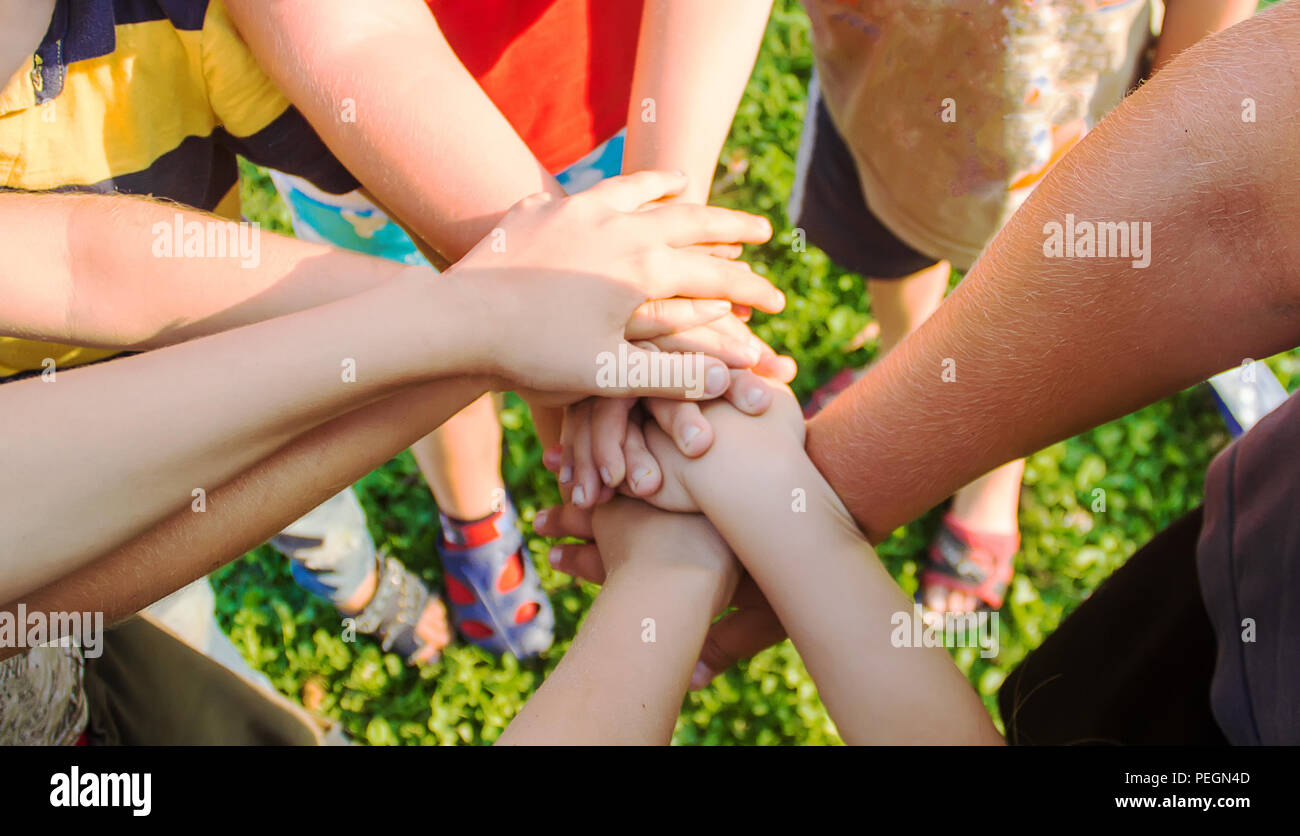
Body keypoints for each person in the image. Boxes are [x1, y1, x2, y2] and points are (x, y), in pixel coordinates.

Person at [542, 0, 1299, 744]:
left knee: (1044, 286)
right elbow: (1236, 187)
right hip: (882, 113)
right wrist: (793, 495)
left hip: (1070, 136)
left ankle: (992, 473)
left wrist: (764, 508)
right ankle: (902, 364)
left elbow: (1224, 171)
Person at [0, 0, 778, 663]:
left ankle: (399, 572)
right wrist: (485, 328)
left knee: (288, 506)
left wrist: (522, 314)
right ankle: (459, 531)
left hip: (501, 132)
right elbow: (22, 604)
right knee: (176, 643)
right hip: (221, 345)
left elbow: (86, 264)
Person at [222, 0, 790, 659]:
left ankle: (584, 487)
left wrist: (652, 240)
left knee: (583, 372)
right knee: (437, 352)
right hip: (371, 133)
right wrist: (618, 286)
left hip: (602, 104)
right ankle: (476, 516)